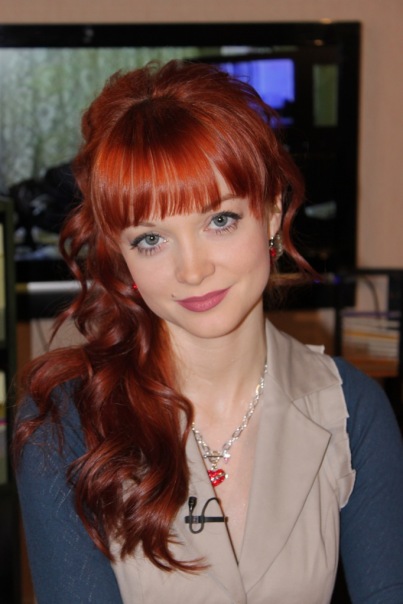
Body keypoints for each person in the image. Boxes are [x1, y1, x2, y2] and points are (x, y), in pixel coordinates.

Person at [13, 60, 403, 604]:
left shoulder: (352, 409)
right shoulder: (64, 422)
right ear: (120, 254)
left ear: (271, 212)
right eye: (151, 239)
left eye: (220, 220)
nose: (192, 271)